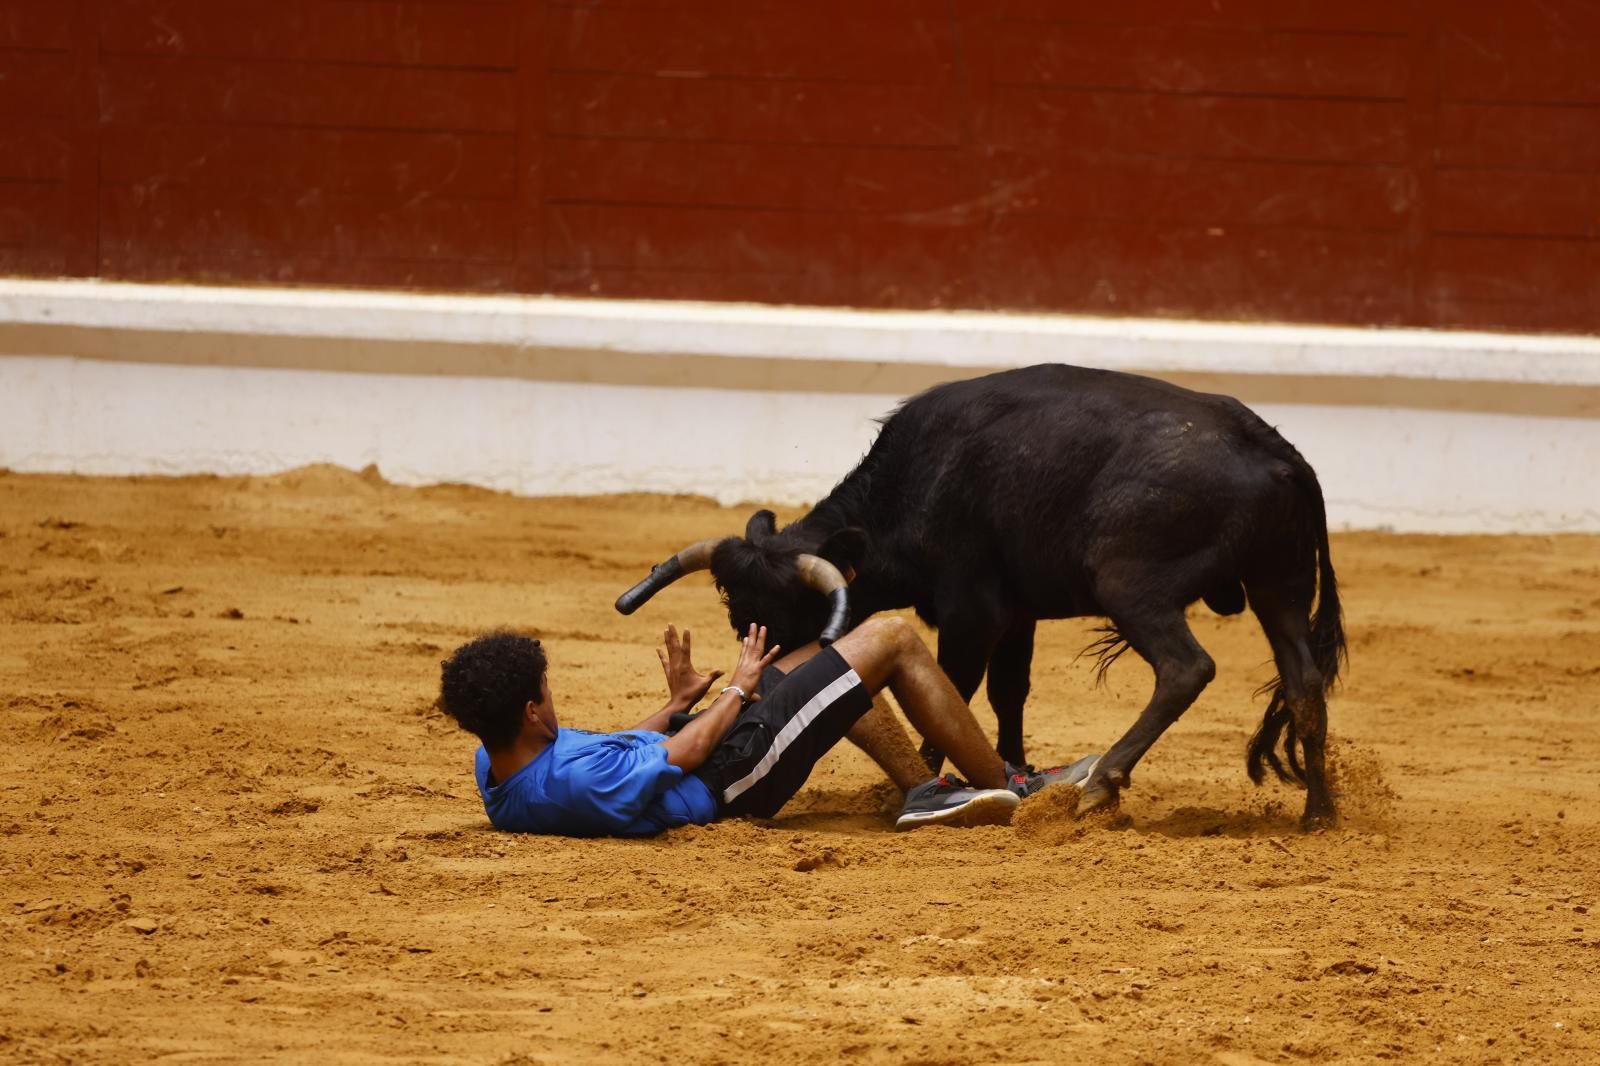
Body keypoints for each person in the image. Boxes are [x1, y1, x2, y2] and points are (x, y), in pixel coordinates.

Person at [437, 616, 1096, 836]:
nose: (553, 702)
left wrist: (675, 704)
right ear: (529, 710)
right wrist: (733, 691)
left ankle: (923, 790)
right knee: (891, 637)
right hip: (732, 775)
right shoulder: (573, 786)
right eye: (545, 694)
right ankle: (1016, 788)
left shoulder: (499, 762)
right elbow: (684, 756)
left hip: (711, 746)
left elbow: (621, 752)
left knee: (820, 659)